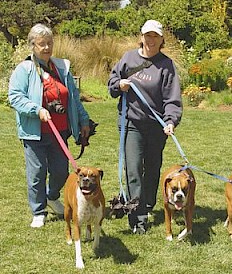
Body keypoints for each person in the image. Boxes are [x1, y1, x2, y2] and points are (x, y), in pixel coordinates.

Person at [8, 23, 90, 228]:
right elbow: (15, 97)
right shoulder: (25, 69)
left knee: (61, 171)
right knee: (36, 173)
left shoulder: (62, 67)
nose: (46, 48)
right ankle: (38, 210)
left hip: (60, 131)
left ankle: (51, 196)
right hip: (34, 133)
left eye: (49, 43)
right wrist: (36, 110)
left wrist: (84, 120)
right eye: (41, 44)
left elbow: (73, 98)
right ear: (32, 46)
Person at [108, 19, 183, 234]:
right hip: (131, 123)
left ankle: (147, 204)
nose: (151, 40)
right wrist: (119, 85)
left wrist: (170, 120)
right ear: (141, 37)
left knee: (152, 169)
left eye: (155, 36)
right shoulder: (128, 58)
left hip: (156, 126)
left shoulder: (166, 65)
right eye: (147, 36)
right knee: (133, 170)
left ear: (161, 40)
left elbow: (172, 98)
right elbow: (112, 82)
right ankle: (137, 219)